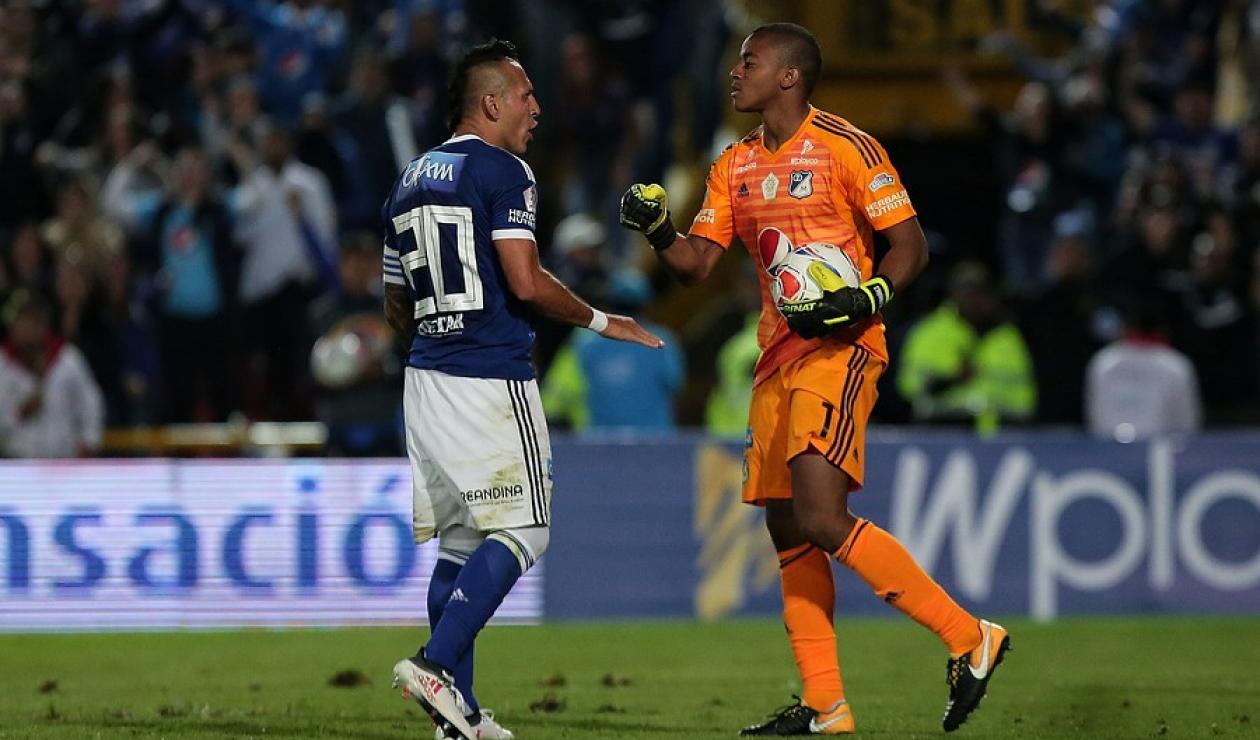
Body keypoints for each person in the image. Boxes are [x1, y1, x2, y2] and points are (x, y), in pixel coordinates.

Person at [619, 23, 1009, 735]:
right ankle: (826, 703)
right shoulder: (733, 162)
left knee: (823, 518)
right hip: (777, 356)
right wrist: (657, 230)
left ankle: (968, 636)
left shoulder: (846, 146)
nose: (735, 72)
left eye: (750, 61)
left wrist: (868, 296)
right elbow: (697, 265)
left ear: (790, 76)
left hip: (841, 347)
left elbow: (909, 245)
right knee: (788, 526)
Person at [383, 39, 662, 740]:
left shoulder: (407, 180)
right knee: (525, 529)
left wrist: (437, 336)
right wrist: (604, 320)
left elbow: (395, 300)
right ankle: (434, 665)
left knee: (459, 543)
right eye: (525, 95)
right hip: (487, 376)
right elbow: (526, 281)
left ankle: (461, 719)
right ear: (491, 103)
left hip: (426, 377)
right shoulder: (504, 170)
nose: (537, 108)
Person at [897, 261, 1037, 433]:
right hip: (940, 431)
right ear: (953, 295)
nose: (976, 301)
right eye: (968, 293)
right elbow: (908, 387)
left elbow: (1026, 399)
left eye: (982, 292)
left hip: (1001, 433)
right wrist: (951, 380)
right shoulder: (930, 332)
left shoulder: (1007, 337)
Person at [0, 290, 104, 458]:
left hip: (63, 462)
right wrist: (20, 414)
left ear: (43, 323)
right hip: (18, 463)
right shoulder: (3, 364)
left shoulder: (67, 358)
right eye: (21, 321)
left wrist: (89, 442)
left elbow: (91, 403)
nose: (27, 328)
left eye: (32, 320)